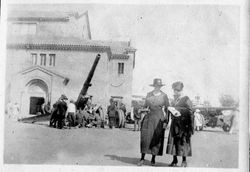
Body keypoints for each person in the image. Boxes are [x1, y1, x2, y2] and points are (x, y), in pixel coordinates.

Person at [138, 78, 170, 166]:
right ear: (154, 86)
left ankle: (153, 158)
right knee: (145, 138)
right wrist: (141, 110)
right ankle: (142, 158)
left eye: (159, 86)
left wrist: (166, 121)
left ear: (160, 86)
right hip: (149, 118)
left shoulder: (164, 96)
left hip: (159, 118)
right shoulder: (149, 94)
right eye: (156, 86)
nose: (157, 87)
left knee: (156, 138)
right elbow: (145, 106)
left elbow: (167, 109)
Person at [166, 81, 194, 167]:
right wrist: (170, 109)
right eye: (174, 90)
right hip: (175, 124)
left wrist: (180, 111)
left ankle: (184, 161)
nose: (176, 92)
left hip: (183, 124)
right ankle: (174, 160)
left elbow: (191, 111)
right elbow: (171, 110)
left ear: (181, 90)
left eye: (177, 90)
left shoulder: (186, 99)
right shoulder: (174, 100)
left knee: (183, 142)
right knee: (174, 141)